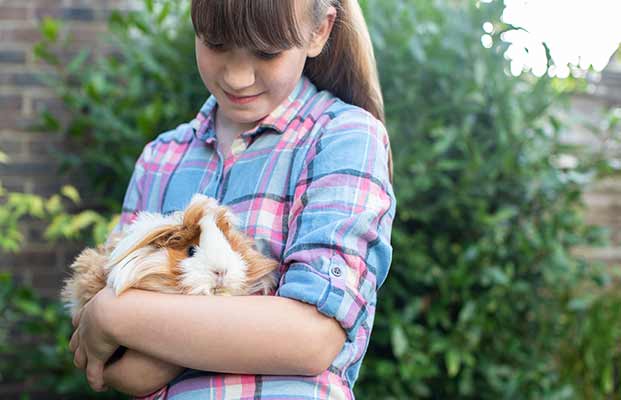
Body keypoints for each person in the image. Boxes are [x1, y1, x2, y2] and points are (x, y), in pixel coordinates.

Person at [68, 0, 396, 398]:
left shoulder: (344, 137)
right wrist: (242, 325)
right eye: (217, 43)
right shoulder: (160, 159)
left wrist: (115, 312)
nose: (238, 77)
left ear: (319, 32)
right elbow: (119, 370)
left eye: (267, 51)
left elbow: (310, 338)